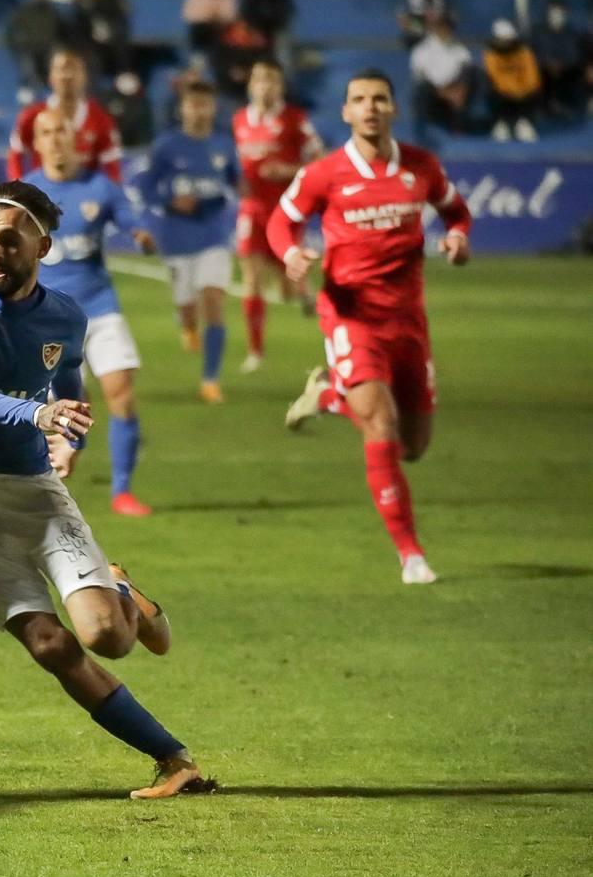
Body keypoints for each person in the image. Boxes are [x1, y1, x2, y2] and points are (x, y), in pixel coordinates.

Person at [0, 179, 213, 800]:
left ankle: (123, 591)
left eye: (10, 240)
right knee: (50, 645)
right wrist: (39, 416)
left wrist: (67, 436)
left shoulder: (65, 316)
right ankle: (173, 759)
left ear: (43, 245)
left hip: (32, 487)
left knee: (108, 636)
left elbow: (68, 385)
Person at [269, 69, 472, 585]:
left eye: (380, 98)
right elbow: (281, 220)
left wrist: (458, 238)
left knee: (413, 446)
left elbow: (456, 212)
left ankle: (331, 399)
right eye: (359, 99)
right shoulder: (325, 173)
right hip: (350, 318)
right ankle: (411, 555)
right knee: (380, 425)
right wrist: (292, 253)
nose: (370, 107)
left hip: (408, 322)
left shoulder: (421, 167)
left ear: (393, 109)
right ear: (346, 112)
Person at [0, 108, 155, 516]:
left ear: (76, 138)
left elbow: (134, 221)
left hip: (99, 308)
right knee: (50, 413)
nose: (56, 138)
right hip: (43, 321)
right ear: (38, 143)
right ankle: (43, 489)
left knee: (122, 393)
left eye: (62, 130)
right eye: (47, 132)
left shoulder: (102, 188)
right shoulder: (22, 196)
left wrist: (142, 234)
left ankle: (122, 491)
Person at [135, 80, 239, 404]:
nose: (199, 110)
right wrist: (169, 200)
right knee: (186, 305)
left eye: (204, 104)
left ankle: (210, 380)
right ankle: (188, 325)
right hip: (177, 237)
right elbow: (145, 187)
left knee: (212, 300)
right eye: (193, 104)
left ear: (213, 108)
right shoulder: (166, 146)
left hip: (214, 236)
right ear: (182, 108)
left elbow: (235, 183)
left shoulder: (224, 145)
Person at [231, 58, 322, 373]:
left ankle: (305, 291)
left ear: (280, 85)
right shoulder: (240, 120)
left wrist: (286, 170)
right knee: (252, 279)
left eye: (270, 79)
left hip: (285, 211)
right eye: (258, 79)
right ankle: (255, 351)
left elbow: (319, 162)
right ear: (250, 85)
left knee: (287, 286)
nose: (264, 86)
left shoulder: (296, 120)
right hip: (251, 209)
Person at [7, 47, 124, 181]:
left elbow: (112, 169)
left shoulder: (102, 120)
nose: (67, 75)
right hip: (42, 194)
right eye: (60, 69)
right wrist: (18, 189)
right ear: (50, 76)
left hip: (84, 194)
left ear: (85, 76)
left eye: (73, 68)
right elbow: (15, 156)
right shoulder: (31, 117)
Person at [409, 12, 474, 134]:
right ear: (435, 28)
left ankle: (459, 132)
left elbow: (467, 70)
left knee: (472, 78)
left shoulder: (459, 49)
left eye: (447, 27)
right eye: (441, 27)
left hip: (454, 92)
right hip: (433, 94)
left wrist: (460, 89)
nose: (444, 31)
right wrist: (442, 92)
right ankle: (423, 133)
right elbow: (420, 78)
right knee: (422, 91)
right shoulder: (422, 49)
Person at [483, 18, 542, 143]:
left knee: (536, 92)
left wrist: (524, 90)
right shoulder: (490, 55)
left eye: (508, 39)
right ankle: (501, 124)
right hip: (503, 93)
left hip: (524, 93)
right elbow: (495, 77)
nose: (505, 43)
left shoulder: (525, 53)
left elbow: (532, 76)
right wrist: (512, 91)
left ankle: (524, 123)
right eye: (502, 40)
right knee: (491, 92)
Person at [5, 0, 65, 103]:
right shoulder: (24, 11)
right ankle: (27, 92)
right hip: (29, 47)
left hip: (47, 47)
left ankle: (53, 93)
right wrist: (15, 45)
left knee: (52, 66)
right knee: (28, 69)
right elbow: (10, 31)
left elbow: (62, 30)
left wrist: (60, 43)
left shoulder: (51, 12)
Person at [532, 0, 583, 117]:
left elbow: (574, 54)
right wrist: (547, 62)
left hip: (566, 69)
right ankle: (546, 107)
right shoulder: (538, 31)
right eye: (554, 12)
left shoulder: (570, 33)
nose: (557, 16)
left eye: (560, 13)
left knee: (572, 76)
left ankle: (566, 106)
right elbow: (532, 52)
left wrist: (562, 64)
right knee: (541, 78)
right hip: (543, 68)